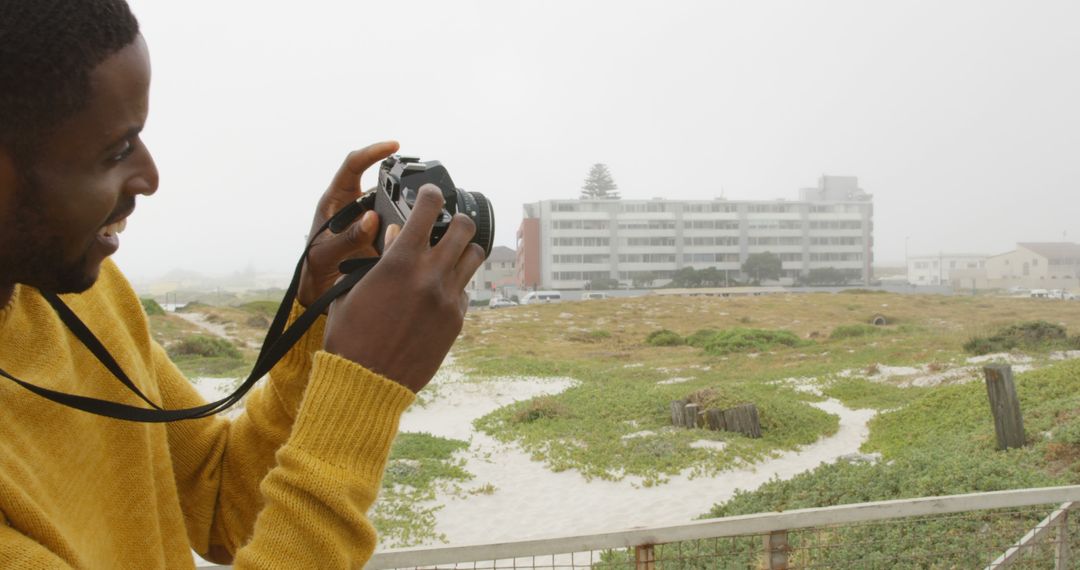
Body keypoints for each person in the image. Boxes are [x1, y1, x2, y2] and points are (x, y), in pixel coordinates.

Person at [0, 0, 485, 567]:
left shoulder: (82, 295)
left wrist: (314, 309)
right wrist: (361, 390)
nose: (151, 177)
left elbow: (223, 506)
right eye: (116, 150)